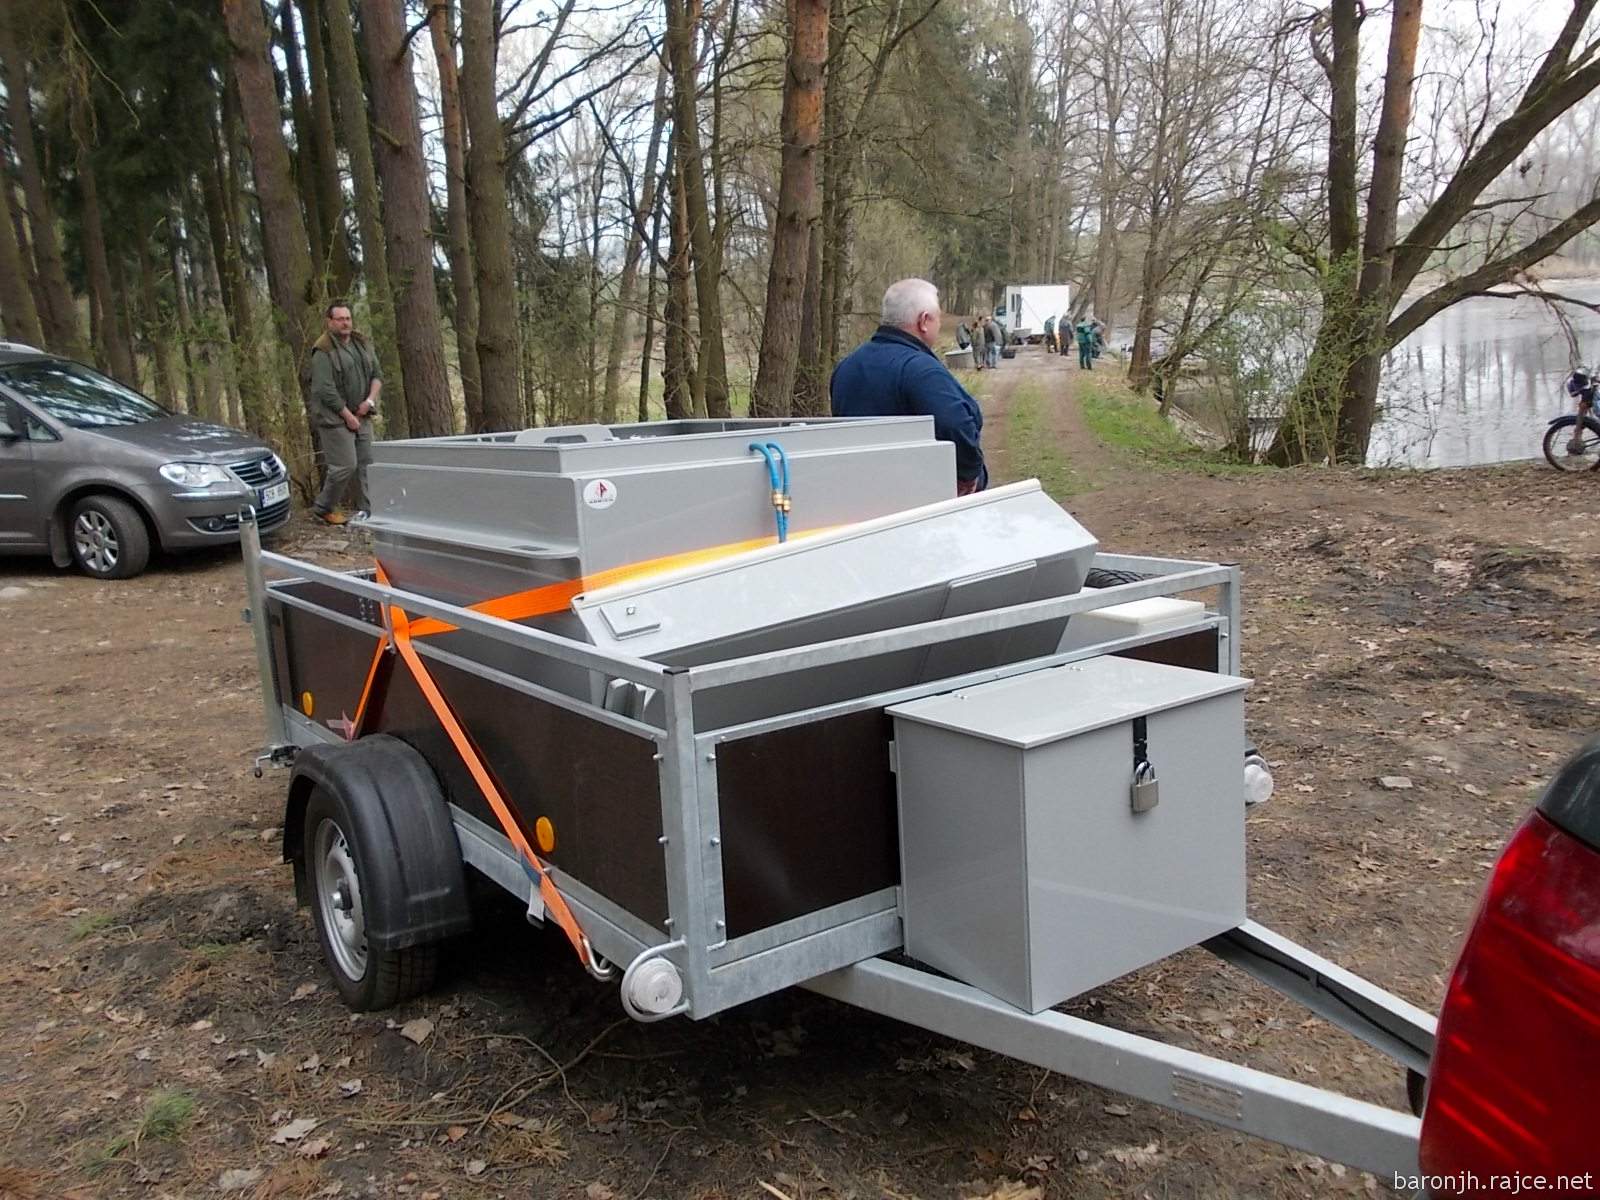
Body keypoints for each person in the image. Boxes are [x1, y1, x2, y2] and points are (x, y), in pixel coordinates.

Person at [830, 278, 987, 495]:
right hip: (917, 495)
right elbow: (955, 423)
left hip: (859, 493)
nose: (939, 325)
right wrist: (969, 474)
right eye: (938, 318)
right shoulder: (921, 369)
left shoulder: (846, 367)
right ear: (924, 321)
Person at [307, 302, 382, 525]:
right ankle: (323, 508)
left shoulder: (361, 344)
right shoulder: (323, 350)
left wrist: (369, 402)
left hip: (362, 413)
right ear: (329, 322)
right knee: (345, 466)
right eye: (340, 319)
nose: (345, 323)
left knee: (368, 464)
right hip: (334, 419)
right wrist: (347, 416)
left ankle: (369, 511)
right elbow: (324, 389)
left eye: (348, 318)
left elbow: (377, 375)